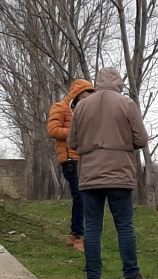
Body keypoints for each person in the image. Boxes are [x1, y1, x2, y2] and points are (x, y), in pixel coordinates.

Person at [67, 67, 150, 279]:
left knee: (92, 227)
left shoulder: (82, 106)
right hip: (119, 173)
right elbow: (141, 139)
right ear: (119, 83)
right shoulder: (126, 104)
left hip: (90, 175)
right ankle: (132, 276)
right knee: (124, 225)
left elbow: (72, 143)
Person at [47, 79, 95, 252]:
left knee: (81, 197)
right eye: (84, 96)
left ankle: (75, 234)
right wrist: (75, 132)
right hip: (69, 160)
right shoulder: (60, 107)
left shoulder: (84, 111)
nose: (86, 100)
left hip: (84, 158)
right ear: (76, 95)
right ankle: (79, 237)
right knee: (81, 197)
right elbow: (52, 130)